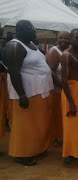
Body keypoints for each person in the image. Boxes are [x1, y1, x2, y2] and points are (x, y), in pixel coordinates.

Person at [4, 20, 53, 166]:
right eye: (31, 29)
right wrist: (22, 95)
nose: (34, 32)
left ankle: (37, 149)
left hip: (40, 90)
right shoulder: (15, 46)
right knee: (25, 125)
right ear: (21, 30)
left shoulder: (32, 45)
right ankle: (22, 154)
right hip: (27, 93)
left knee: (38, 123)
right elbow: (13, 71)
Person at [60, 29, 78, 168]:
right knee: (71, 123)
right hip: (71, 93)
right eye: (77, 38)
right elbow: (64, 80)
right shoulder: (66, 55)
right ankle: (69, 154)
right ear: (71, 39)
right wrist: (71, 102)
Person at [46, 31, 71, 146]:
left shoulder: (68, 51)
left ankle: (61, 135)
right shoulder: (54, 52)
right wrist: (62, 85)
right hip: (57, 88)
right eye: (60, 38)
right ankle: (55, 137)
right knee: (56, 112)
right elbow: (51, 71)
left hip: (66, 88)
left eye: (66, 38)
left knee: (63, 112)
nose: (63, 40)